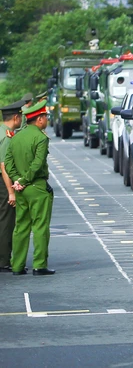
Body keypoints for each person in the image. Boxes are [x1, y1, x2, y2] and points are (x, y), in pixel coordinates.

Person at [5, 100, 55, 275]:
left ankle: (17, 266)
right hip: (36, 187)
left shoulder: (16, 136)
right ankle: (39, 265)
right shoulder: (40, 138)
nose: (46, 120)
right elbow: (37, 165)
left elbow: (8, 163)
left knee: (21, 227)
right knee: (40, 226)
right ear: (40, 119)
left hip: (20, 189)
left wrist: (17, 180)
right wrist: (25, 180)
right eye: (45, 117)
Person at [0, 96, 29, 273]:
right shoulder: (6, 137)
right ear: (16, 118)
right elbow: (3, 166)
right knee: (6, 221)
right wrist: (11, 192)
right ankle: (3, 259)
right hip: (3, 183)